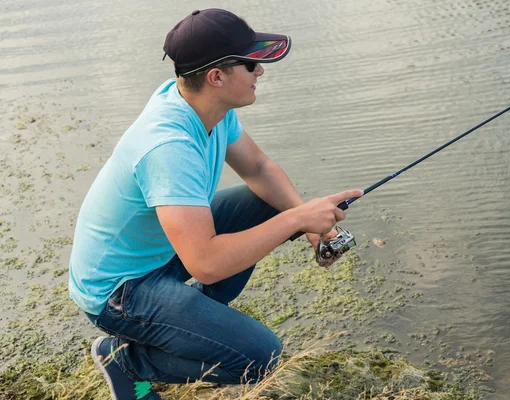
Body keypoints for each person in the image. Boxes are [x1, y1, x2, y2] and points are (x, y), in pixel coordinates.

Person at [68, 8, 362, 400]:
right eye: (250, 63)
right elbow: (205, 263)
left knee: (261, 202)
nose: (260, 70)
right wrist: (297, 218)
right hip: (118, 291)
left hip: (159, 255)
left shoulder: (206, 105)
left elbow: (258, 168)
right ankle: (123, 359)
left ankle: (194, 325)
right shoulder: (168, 145)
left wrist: (312, 225)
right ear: (216, 77)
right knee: (260, 357)